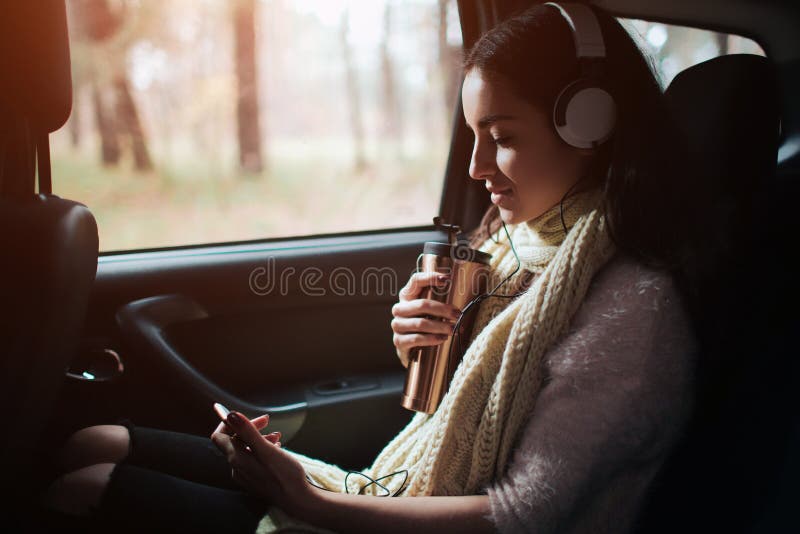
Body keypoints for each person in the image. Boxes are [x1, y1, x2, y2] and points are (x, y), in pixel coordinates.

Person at [41, 3, 704, 533]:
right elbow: (464, 416)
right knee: (93, 441)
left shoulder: (633, 314)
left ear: (591, 126)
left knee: (86, 489)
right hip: (404, 489)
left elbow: (522, 515)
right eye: (473, 136)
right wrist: (417, 344)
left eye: (501, 139)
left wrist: (315, 503)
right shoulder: (514, 246)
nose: (476, 169)